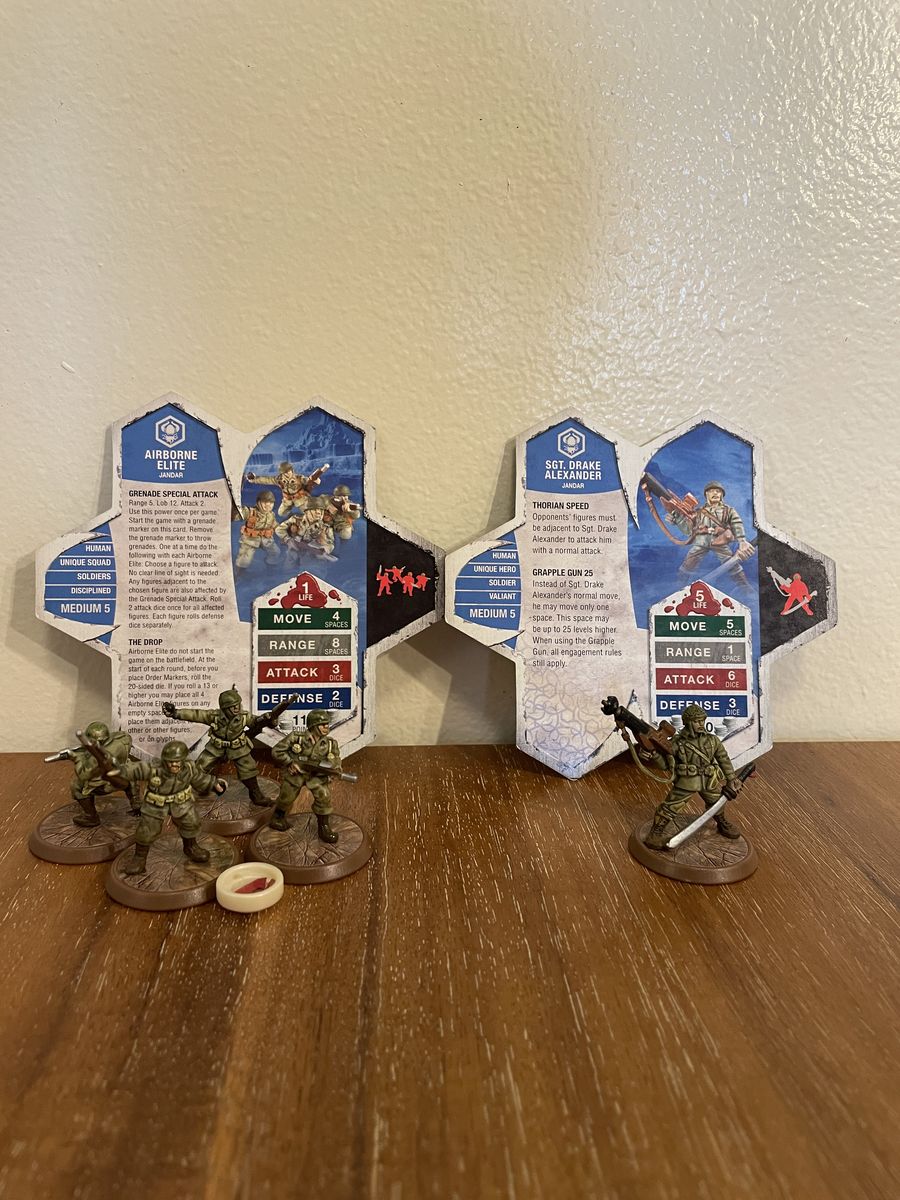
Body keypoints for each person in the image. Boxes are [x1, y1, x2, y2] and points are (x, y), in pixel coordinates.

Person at [641, 703, 743, 850]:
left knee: (716, 802)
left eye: (702, 720)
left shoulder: (712, 740)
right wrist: (654, 755)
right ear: (688, 723)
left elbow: (724, 759)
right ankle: (655, 833)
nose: (701, 724)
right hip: (686, 781)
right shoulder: (677, 743)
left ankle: (722, 822)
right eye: (696, 721)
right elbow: (666, 765)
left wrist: (731, 778)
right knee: (670, 807)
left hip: (708, 780)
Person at [115, 740, 226, 875]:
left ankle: (191, 847)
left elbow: (200, 779)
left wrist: (213, 783)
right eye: (170, 761)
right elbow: (135, 769)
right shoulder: (153, 768)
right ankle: (139, 858)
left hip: (180, 802)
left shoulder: (189, 768)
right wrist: (117, 769)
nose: (174, 764)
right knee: (147, 830)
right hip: (155, 804)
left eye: (177, 761)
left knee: (191, 823)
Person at [162, 688, 269, 806]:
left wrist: (269, 720)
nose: (236, 708)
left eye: (238, 704)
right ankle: (194, 791)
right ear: (224, 708)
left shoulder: (244, 716)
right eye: (232, 706)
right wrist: (175, 713)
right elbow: (196, 714)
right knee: (199, 768)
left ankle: (256, 796)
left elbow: (255, 721)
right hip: (216, 747)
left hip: (238, 748)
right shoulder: (214, 716)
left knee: (248, 769)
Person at [270, 710, 342, 842]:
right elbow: (277, 751)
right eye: (322, 724)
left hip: (316, 777)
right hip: (295, 775)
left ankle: (324, 827)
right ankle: (277, 818)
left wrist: (333, 770)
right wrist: (290, 762)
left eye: (327, 723)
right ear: (313, 725)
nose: (326, 727)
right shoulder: (296, 738)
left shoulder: (330, 744)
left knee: (324, 796)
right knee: (286, 797)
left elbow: (336, 760)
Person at [669, 481, 754, 591]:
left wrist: (742, 541)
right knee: (687, 565)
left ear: (722, 495)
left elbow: (737, 524)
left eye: (718, 491)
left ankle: (746, 589)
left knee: (733, 565)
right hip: (702, 542)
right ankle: (678, 588)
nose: (715, 493)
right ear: (706, 494)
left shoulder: (728, 511)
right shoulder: (699, 512)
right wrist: (678, 519)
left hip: (720, 542)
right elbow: (689, 531)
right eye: (711, 491)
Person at [62, 721, 139, 827]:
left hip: (107, 784)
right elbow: (124, 736)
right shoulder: (123, 739)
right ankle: (137, 803)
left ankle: (91, 817)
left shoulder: (94, 759)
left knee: (76, 785)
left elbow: (83, 775)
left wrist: (75, 758)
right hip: (126, 778)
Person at [234, 490, 280, 572]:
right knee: (245, 558)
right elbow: (240, 513)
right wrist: (233, 512)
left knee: (275, 552)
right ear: (258, 502)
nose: (268, 505)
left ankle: (271, 567)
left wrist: (283, 532)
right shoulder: (251, 512)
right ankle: (239, 571)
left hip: (266, 539)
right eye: (265, 502)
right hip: (250, 539)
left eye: (271, 502)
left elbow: (275, 525)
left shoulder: (271, 515)